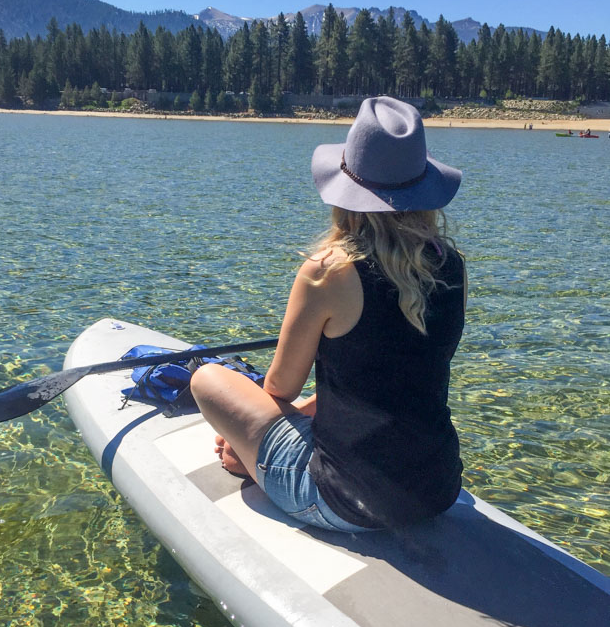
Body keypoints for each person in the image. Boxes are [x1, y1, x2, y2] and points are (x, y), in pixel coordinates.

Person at [190, 96, 466, 533]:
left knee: (207, 378)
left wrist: (248, 443)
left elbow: (279, 388)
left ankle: (269, 468)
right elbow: (397, 383)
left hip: (346, 502)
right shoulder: (451, 266)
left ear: (346, 193)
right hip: (437, 490)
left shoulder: (330, 272)